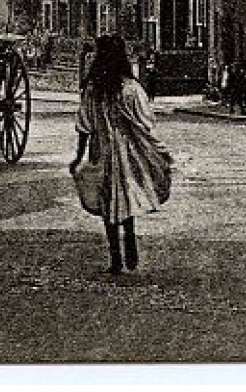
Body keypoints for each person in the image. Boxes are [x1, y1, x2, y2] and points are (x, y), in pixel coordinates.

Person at [70, 35, 172, 276]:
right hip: (127, 150)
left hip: (101, 150)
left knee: (107, 202)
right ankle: (131, 244)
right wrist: (157, 150)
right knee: (125, 195)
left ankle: (115, 257)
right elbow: (146, 123)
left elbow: (84, 127)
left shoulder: (93, 90)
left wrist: (78, 156)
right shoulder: (132, 89)